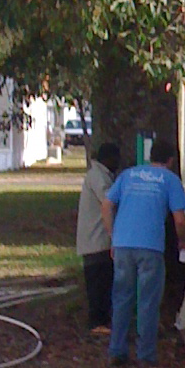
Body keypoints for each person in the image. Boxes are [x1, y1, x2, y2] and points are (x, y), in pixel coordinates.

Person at [101, 138, 185, 367]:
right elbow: (180, 220)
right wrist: (183, 241)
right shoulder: (170, 180)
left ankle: (117, 350)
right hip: (150, 246)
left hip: (123, 244)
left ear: (150, 156)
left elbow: (106, 204)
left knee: (122, 297)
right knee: (148, 300)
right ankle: (145, 354)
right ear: (170, 160)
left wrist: (113, 235)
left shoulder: (128, 175)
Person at [76, 142, 120, 334]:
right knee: (97, 282)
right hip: (95, 239)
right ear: (108, 159)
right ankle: (96, 322)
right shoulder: (98, 176)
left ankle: (103, 319)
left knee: (104, 281)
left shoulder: (102, 175)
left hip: (100, 239)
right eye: (116, 159)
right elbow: (109, 200)